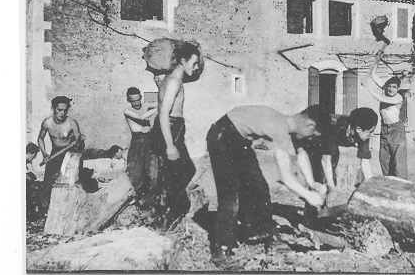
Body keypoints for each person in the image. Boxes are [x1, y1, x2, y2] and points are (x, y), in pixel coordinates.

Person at [206, 104, 330, 267]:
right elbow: (285, 176)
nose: (309, 139)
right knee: (230, 197)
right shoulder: (279, 128)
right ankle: (221, 249)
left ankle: (263, 234)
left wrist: (311, 183)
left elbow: (300, 155)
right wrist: (309, 196)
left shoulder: (286, 124)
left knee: (260, 187)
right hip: (222, 136)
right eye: (312, 135)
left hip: (238, 139)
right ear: (310, 125)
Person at [296, 107, 378, 227]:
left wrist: (370, 187)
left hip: (330, 148)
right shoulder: (335, 127)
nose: (372, 135)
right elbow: (325, 159)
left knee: (331, 173)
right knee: (319, 177)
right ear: (358, 129)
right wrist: (332, 188)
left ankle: (324, 214)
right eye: (370, 132)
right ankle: (311, 219)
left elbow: (365, 162)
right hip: (312, 139)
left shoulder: (363, 134)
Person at [151, 43, 203, 226]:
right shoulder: (173, 81)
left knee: (181, 172)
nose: (196, 68)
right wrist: (170, 145)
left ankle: (171, 215)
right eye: (194, 63)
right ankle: (168, 218)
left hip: (174, 128)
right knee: (181, 172)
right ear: (183, 61)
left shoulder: (172, 79)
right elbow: (164, 113)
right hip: (170, 129)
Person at [362, 43, 409, 179]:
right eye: (389, 87)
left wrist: (368, 87)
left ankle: (403, 187)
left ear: (398, 88)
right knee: (384, 160)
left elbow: (379, 97)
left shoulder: (398, 98)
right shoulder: (385, 90)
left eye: (394, 87)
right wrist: (377, 58)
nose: (391, 90)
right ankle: (388, 184)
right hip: (384, 129)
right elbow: (373, 74)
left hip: (396, 131)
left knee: (398, 162)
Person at [37, 96, 85, 210]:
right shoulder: (47, 123)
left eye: (65, 110)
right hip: (55, 153)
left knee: (73, 180)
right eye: (59, 110)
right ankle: (46, 209)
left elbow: (79, 139)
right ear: (53, 109)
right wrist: (44, 154)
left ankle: (71, 208)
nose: (62, 113)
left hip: (71, 153)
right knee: (49, 181)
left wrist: (79, 142)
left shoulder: (72, 123)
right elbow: (40, 138)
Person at [123, 87, 158, 196]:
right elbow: (141, 117)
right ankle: (136, 196)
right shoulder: (127, 111)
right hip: (137, 142)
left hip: (149, 140)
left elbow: (161, 101)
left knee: (152, 169)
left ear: (141, 97)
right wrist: (160, 108)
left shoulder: (146, 106)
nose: (136, 103)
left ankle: (152, 195)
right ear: (128, 100)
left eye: (138, 100)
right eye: (133, 101)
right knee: (135, 171)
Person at [26, 143, 42, 221]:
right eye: (34, 155)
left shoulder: (27, 162)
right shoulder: (25, 162)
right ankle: (32, 215)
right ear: (28, 153)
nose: (34, 158)